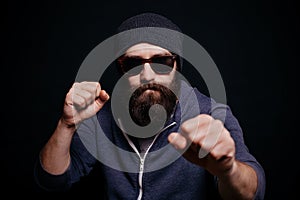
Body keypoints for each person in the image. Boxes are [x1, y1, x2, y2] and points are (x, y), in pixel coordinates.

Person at [34, 12, 266, 199]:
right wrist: (67, 125)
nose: (147, 74)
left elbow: (251, 193)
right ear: (121, 70)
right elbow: (52, 182)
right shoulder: (101, 114)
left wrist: (228, 170)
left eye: (161, 61)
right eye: (134, 63)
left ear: (177, 66)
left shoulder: (211, 114)